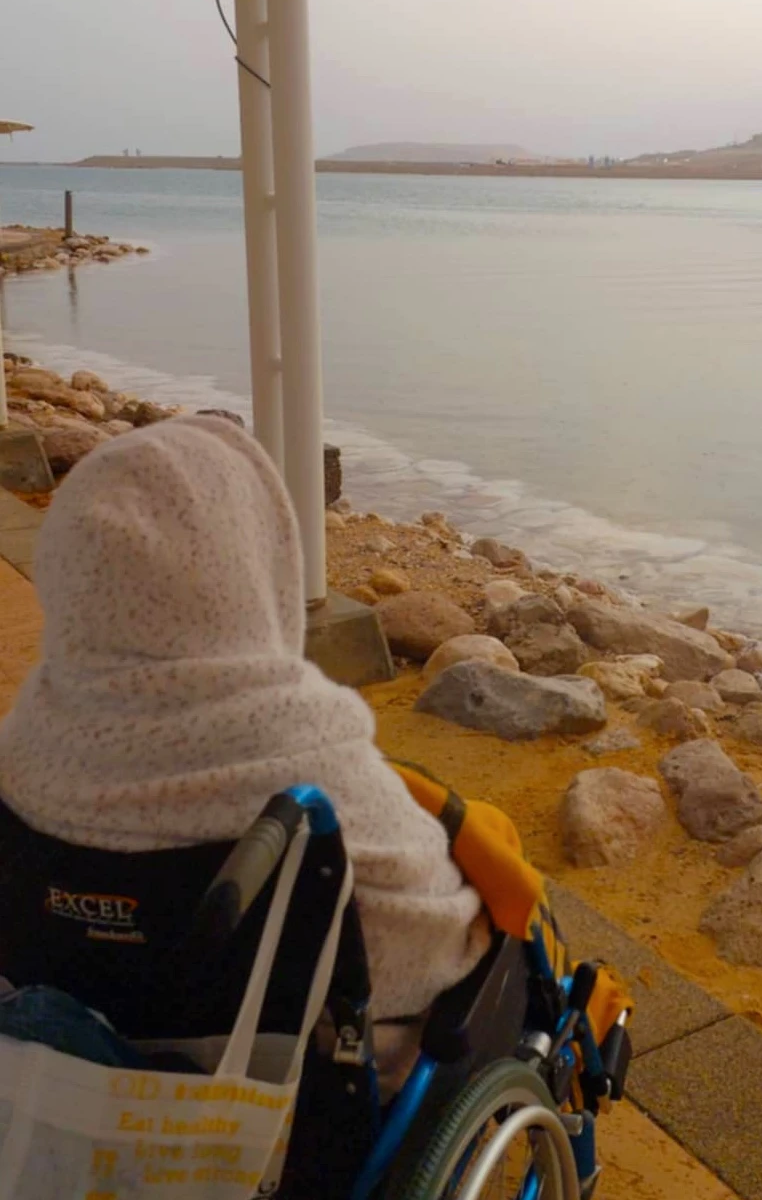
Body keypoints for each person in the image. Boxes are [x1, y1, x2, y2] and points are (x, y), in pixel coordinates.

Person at [0, 414, 490, 1082]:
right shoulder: (302, 756)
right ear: (249, 566)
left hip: (78, 1069)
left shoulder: (27, 746)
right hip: (287, 1103)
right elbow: (431, 937)